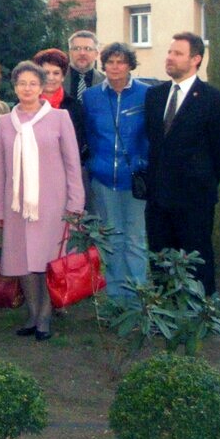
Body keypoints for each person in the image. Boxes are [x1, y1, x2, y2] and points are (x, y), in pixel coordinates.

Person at [0, 61, 84, 341]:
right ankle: (32, 313)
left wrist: (76, 204)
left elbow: (72, 164)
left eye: (33, 83)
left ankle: (45, 316)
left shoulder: (59, 118)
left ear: (42, 87)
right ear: (14, 87)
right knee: (23, 260)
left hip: (53, 204)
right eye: (22, 83)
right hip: (17, 205)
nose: (27, 88)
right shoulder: (4, 122)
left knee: (49, 261)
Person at [144, 32, 220, 296]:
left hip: (194, 200)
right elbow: (155, 142)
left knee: (196, 263)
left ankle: (198, 311)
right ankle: (164, 308)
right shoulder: (155, 95)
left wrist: (202, 175)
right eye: (169, 52)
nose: (169, 58)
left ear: (195, 59)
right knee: (160, 260)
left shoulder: (213, 99)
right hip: (159, 199)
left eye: (177, 53)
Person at [82, 42, 150, 301]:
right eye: (110, 62)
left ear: (130, 65)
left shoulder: (146, 94)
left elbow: (152, 135)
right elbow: (89, 133)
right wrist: (95, 164)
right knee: (112, 239)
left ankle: (138, 301)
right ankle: (116, 300)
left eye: (120, 62)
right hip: (103, 179)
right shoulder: (92, 97)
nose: (115, 67)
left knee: (135, 240)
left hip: (135, 180)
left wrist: (143, 163)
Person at [33, 48, 86, 160]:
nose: (50, 78)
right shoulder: (25, 105)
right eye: (46, 73)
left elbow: (77, 145)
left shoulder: (74, 107)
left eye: (56, 73)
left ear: (63, 77)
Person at [67, 30, 106, 100]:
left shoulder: (105, 83)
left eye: (88, 49)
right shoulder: (56, 80)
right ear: (70, 53)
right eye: (77, 48)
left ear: (96, 54)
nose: (82, 53)